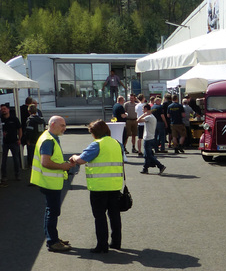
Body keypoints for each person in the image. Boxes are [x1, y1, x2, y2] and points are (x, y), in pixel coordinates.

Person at [70, 120, 124, 253]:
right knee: (115, 215)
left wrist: (74, 157)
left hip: (99, 186)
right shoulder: (117, 143)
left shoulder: (96, 145)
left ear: (95, 133)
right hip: (115, 185)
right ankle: (116, 242)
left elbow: (81, 160)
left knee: (100, 216)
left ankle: (102, 245)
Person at [30, 116, 76, 252]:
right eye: (62, 125)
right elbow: (46, 162)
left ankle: (52, 238)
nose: (64, 128)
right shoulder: (49, 140)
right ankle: (52, 241)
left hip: (48, 181)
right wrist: (63, 166)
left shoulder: (48, 137)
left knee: (51, 210)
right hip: (49, 182)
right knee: (53, 211)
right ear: (53, 124)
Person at [137, 104, 166, 175]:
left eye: (143, 109)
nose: (142, 111)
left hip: (148, 138)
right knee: (146, 155)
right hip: (151, 137)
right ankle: (145, 168)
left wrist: (143, 115)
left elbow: (138, 120)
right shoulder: (153, 117)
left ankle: (160, 166)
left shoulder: (149, 117)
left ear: (146, 109)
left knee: (149, 155)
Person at [0, 105, 22, 182]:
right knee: (3, 160)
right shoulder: (0, 119)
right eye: (2, 109)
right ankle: (4, 175)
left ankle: (17, 174)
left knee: (16, 159)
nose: (3, 110)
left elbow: (19, 129)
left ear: (8, 110)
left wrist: (19, 139)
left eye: (4, 109)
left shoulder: (14, 119)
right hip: (4, 143)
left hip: (14, 142)